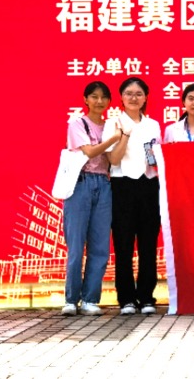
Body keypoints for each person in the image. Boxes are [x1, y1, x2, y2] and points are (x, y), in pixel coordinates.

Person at [61, 81, 123, 317]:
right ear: (85, 99)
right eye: (94, 97)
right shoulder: (78, 123)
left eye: (104, 97)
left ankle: (89, 299)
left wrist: (118, 137)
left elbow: (113, 158)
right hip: (81, 183)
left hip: (104, 184)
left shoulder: (110, 126)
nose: (99, 101)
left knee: (99, 247)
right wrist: (113, 139)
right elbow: (89, 152)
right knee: (76, 246)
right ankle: (71, 299)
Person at [103, 77, 164, 315]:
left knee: (148, 244)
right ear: (121, 97)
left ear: (146, 97)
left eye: (139, 94)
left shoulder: (153, 125)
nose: (134, 98)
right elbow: (113, 159)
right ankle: (126, 298)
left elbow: (156, 158)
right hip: (122, 186)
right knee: (124, 244)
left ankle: (147, 297)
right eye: (129, 93)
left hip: (149, 185)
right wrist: (125, 135)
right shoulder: (113, 123)